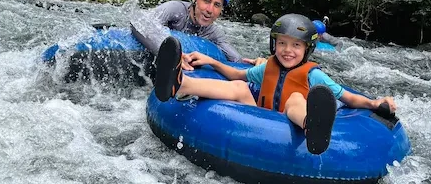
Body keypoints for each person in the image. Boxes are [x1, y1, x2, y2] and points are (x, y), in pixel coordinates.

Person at [153, 13, 397, 155]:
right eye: (282, 44)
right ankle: (180, 84)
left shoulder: (314, 75)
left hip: (289, 122)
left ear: (307, 49)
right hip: (258, 116)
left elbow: (347, 98)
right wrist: (212, 61)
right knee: (239, 88)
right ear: (273, 45)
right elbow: (237, 75)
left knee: (296, 99)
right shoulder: (267, 67)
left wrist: (374, 103)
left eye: (296, 45)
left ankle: (311, 124)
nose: (287, 51)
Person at [131, 0, 255, 71]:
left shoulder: (213, 33)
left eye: (217, 5)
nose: (210, 10)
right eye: (206, 1)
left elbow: (237, 60)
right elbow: (138, 23)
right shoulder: (175, 9)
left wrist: (257, 66)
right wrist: (171, 55)